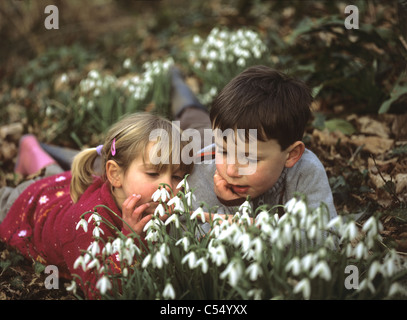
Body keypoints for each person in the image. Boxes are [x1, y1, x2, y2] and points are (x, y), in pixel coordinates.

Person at [0, 112, 193, 299]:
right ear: (115, 175)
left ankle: (30, 149)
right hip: (30, 208)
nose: (167, 186)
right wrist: (131, 240)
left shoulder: (151, 200)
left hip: (62, 188)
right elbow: (98, 291)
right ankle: (31, 152)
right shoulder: (91, 223)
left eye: (176, 176)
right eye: (153, 174)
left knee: (51, 175)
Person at [170, 65, 337, 230]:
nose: (231, 171)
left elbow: (326, 238)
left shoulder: (306, 172)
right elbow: (184, 231)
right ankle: (174, 79)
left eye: (248, 158)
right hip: (203, 141)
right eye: (225, 152)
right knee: (190, 112)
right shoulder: (199, 171)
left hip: (225, 137)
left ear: (291, 155)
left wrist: (245, 221)